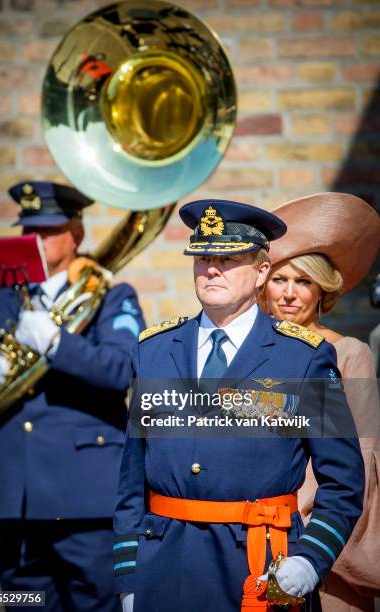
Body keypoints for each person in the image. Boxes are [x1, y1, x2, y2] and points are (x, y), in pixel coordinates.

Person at [113, 198, 365, 612]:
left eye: (228, 259)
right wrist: (128, 578)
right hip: (164, 569)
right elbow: (131, 482)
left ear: (262, 270)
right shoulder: (153, 351)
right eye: (202, 257)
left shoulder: (302, 357)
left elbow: (344, 482)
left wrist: (310, 559)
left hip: (260, 571)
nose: (211, 269)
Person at [0, 181, 145, 612]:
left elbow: (121, 370)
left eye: (49, 231)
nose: (38, 242)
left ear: (77, 233)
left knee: (96, 604)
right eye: (29, 231)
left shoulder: (111, 295)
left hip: (85, 499)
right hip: (18, 503)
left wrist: (55, 343)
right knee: (22, 603)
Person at [261, 192, 380, 612]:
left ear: (322, 291)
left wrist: (308, 537)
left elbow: (361, 462)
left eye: (304, 281)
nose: (291, 293)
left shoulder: (349, 354)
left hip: (325, 546)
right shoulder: (252, 355)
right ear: (263, 283)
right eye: (280, 279)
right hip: (255, 539)